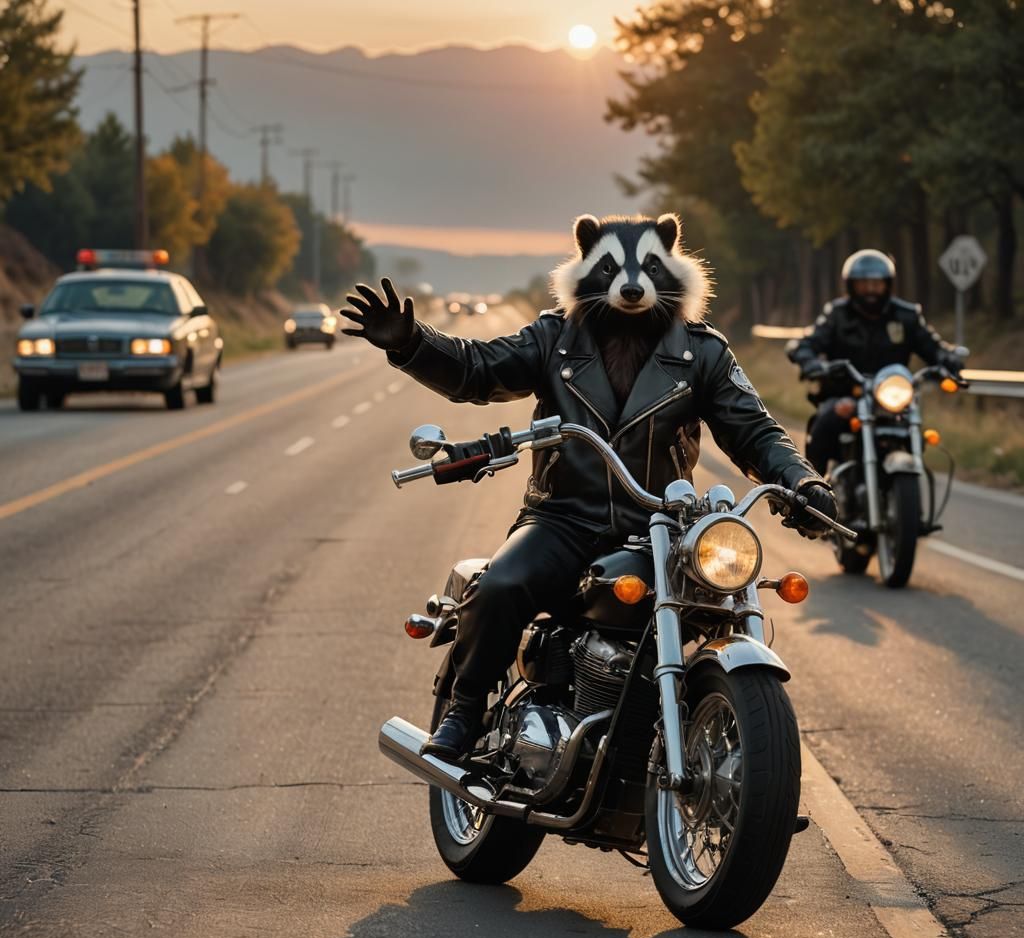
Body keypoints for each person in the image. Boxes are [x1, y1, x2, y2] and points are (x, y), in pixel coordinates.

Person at [341, 214, 835, 761]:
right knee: (502, 584)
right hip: (561, 519)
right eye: (612, 268)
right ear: (586, 265)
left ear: (670, 263)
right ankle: (465, 709)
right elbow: (479, 370)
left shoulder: (703, 353)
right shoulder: (555, 338)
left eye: (647, 267)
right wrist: (413, 343)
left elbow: (756, 432)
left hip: (660, 532)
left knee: (710, 603)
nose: (630, 280)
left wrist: (802, 480)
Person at [790, 249, 964, 474]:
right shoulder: (837, 315)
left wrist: (948, 358)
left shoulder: (906, 316)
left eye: (876, 284)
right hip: (847, 393)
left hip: (891, 398)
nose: (870, 290)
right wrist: (811, 362)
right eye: (864, 284)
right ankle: (811, 492)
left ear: (888, 284)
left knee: (914, 425)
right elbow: (806, 344)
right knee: (825, 422)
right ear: (851, 286)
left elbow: (932, 346)